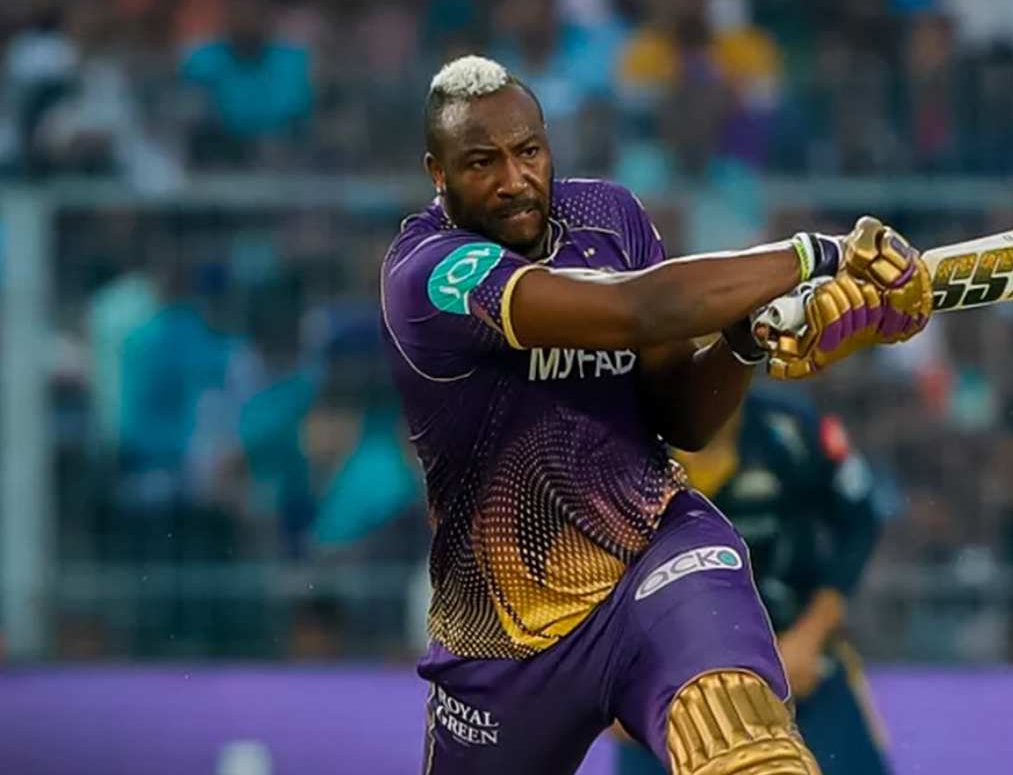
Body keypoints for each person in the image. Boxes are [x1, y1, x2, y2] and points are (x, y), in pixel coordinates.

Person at [380, 55, 933, 774]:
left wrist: (745, 338)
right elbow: (633, 310)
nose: (515, 179)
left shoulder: (610, 217)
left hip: (656, 554)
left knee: (748, 751)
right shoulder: (427, 272)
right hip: (505, 633)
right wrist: (817, 257)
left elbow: (684, 419)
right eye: (482, 163)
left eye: (529, 152)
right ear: (438, 173)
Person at [614, 387, 892, 774]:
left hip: (796, 660)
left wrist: (811, 634)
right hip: (664, 685)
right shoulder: (616, 442)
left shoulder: (793, 428)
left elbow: (860, 520)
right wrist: (607, 684)